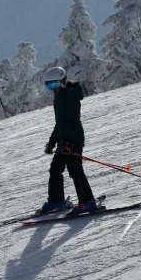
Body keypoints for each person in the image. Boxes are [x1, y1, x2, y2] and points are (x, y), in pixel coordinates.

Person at [39, 66, 97, 216]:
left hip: (73, 140)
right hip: (63, 142)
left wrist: (68, 142)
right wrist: (52, 142)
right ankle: (56, 200)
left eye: (55, 85)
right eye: (49, 86)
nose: (53, 89)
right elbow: (60, 124)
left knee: (75, 170)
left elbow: (71, 121)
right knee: (55, 169)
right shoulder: (59, 98)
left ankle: (87, 202)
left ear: (63, 82)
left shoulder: (69, 96)